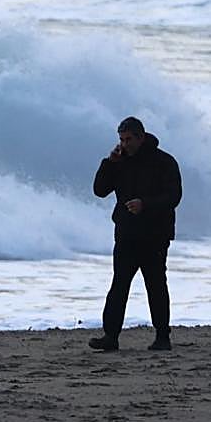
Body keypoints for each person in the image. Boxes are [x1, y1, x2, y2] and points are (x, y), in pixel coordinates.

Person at [88, 116, 182, 352]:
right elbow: (99, 190)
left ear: (141, 137)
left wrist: (145, 204)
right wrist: (109, 163)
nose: (124, 144)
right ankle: (110, 336)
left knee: (156, 285)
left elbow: (173, 197)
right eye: (121, 139)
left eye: (129, 139)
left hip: (155, 235)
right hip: (126, 233)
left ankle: (162, 336)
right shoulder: (119, 162)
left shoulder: (164, 162)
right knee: (119, 285)